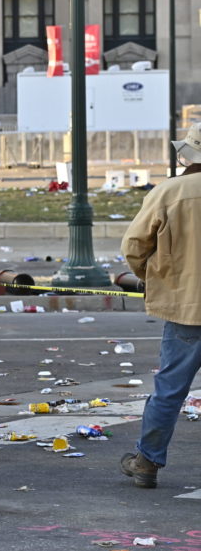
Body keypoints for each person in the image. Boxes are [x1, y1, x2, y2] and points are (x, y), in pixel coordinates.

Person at [120, 122, 201, 488]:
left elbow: (134, 247)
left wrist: (154, 277)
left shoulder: (170, 192)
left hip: (186, 308)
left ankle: (147, 462)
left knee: (169, 390)